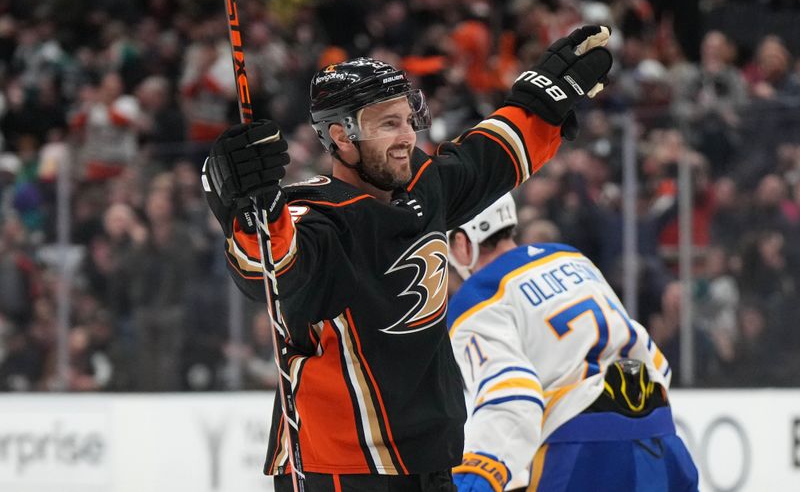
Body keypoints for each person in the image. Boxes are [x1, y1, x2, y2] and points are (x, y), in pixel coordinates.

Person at [202, 26, 613, 491]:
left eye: (407, 118)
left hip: (430, 457)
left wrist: (542, 104)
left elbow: (488, 159)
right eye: (387, 124)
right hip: (340, 470)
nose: (406, 136)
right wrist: (246, 208)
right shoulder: (314, 216)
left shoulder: (423, 183)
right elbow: (270, 272)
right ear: (342, 136)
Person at [447, 194, 699, 492]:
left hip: (584, 451)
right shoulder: (572, 258)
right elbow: (651, 356)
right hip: (662, 441)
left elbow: (512, 397)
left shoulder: (476, 296)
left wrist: (476, 478)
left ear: (463, 242)